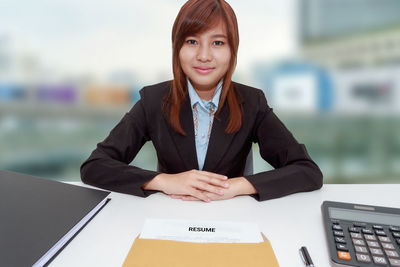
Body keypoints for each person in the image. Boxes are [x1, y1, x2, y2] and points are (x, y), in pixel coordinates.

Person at [81, 0, 323, 202]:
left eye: (217, 43)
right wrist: (166, 182)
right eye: (192, 42)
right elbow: (95, 166)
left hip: (232, 220)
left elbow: (307, 171)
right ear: (177, 49)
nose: (204, 56)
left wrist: (238, 186)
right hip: (168, 217)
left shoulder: (252, 102)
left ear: (232, 50)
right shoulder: (153, 100)